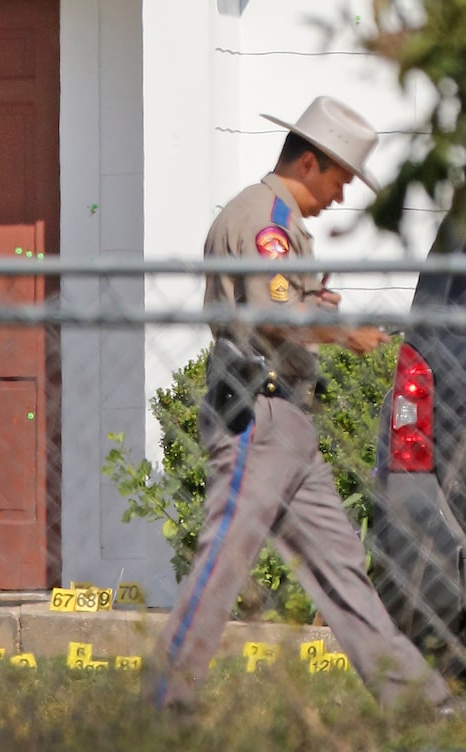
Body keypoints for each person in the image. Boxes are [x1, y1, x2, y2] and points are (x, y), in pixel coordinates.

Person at [143, 96, 456, 715]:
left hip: (286, 418)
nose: (340, 197)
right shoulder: (266, 218)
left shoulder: (278, 217)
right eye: (340, 180)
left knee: (341, 569)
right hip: (255, 418)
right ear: (311, 162)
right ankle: (162, 704)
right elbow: (274, 314)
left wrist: (322, 311)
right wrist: (346, 332)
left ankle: (418, 700)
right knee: (223, 564)